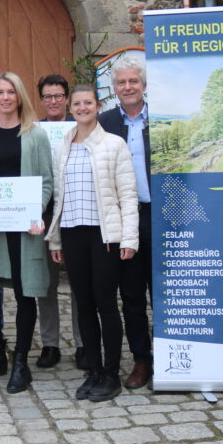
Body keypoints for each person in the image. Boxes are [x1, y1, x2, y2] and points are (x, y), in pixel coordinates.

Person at [48, 85, 139, 402]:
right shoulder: (63, 146)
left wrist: (129, 237)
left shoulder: (114, 144)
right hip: (72, 232)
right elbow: (60, 197)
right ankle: (95, 370)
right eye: (77, 103)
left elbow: (127, 194)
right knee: (82, 304)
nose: (83, 107)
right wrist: (55, 237)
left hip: (104, 236)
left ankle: (111, 374)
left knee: (105, 304)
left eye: (88, 102)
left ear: (98, 106)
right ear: (70, 108)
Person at [0, 72, 53, 394]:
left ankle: (20, 362)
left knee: (24, 290)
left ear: (19, 97)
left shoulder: (35, 135)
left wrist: (36, 212)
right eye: (0, 92)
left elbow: (46, 180)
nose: (5, 98)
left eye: (10, 92)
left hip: (23, 228)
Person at [99, 55, 154, 389]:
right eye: (121, 82)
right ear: (113, 88)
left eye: (133, 81)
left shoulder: (163, 120)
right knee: (131, 296)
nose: (128, 87)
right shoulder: (105, 123)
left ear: (144, 85)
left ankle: (172, 356)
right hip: (122, 220)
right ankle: (141, 361)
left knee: (164, 293)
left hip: (160, 216)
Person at [35, 73, 84, 370]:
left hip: (78, 213)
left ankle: (83, 344)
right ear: (41, 100)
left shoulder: (83, 129)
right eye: (47, 97)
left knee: (80, 283)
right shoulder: (34, 131)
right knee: (46, 284)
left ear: (66, 98)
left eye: (58, 96)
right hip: (44, 215)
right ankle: (50, 344)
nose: (53, 101)